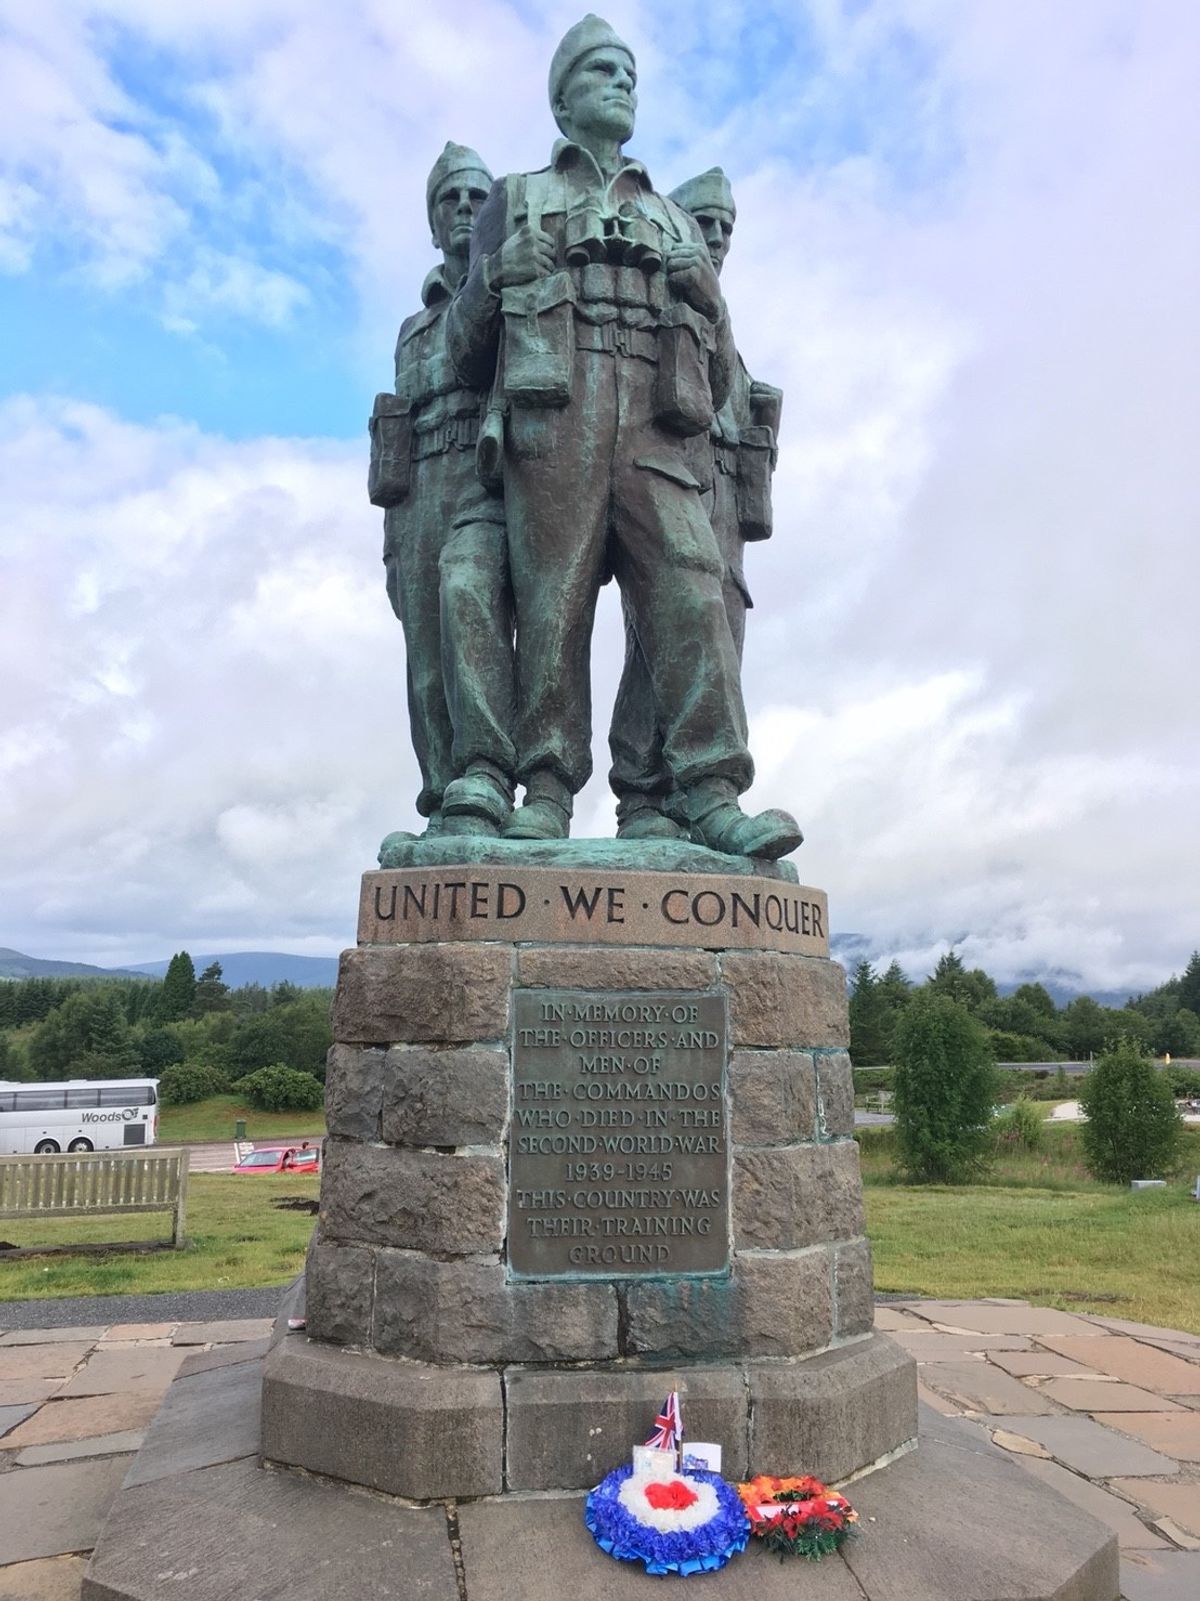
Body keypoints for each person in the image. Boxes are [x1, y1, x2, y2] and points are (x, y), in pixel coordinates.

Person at [448, 16, 799, 859]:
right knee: (553, 601)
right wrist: (496, 277)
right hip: (554, 414)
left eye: (630, 74)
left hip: (655, 423)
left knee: (690, 586)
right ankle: (544, 786)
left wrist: (708, 300)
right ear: (564, 96)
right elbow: (465, 353)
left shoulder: (676, 220)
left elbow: (718, 385)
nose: (621, 84)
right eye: (602, 71)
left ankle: (710, 790)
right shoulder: (518, 197)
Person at [608, 167, 783, 839]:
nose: (714, 236)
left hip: (726, 521)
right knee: (656, 641)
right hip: (662, 491)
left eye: (725, 227)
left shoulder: (718, 331)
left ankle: (681, 799)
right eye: (703, 221)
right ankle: (646, 794)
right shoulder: (656, 321)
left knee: (714, 642)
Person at [369, 143, 515, 838]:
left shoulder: (513, 291)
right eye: (449, 200)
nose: (463, 209)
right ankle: (445, 805)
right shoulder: (411, 329)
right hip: (417, 490)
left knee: (468, 601)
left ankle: (489, 776)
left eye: (475, 198)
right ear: (432, 223)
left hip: (485, 478)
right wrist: (393, 538)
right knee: (426, 664)